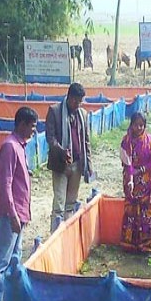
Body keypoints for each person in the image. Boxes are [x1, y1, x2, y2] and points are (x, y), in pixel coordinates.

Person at [0, 106, 38, 301]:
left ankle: (7, 300)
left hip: (20, 212)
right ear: (22, 125)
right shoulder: (9, 147)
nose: (34, 131)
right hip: (11, 214)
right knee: (2, 259)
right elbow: (5, 185)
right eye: (32, 127)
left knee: (14, 259)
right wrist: (13, 215)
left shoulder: (20, 146)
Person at [46, 82, 93, 232]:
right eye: (75, 101)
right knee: (59, 202)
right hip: (60, 164)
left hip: (77, 164)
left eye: (80, 101)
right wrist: (61, 151)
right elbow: (50, 138)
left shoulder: (83, 115)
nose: (78, 104)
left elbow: (86, 141)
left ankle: (67, 233)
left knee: (71, 203)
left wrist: (89, 165)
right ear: (69, 97)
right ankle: (55, 234)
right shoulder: (54, 111)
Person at [120, 112, 151, 253]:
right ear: (131, 124)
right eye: (136, 125)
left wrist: (142, 170)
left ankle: (146, 244)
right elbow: (127, 162)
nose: (139, 128)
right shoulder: (126, 142)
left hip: (146, 183)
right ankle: (129, 244)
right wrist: (130, 179)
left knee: (146, 212)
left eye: (142, 125)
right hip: (131, 182)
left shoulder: (150, 141)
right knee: (131, 211)